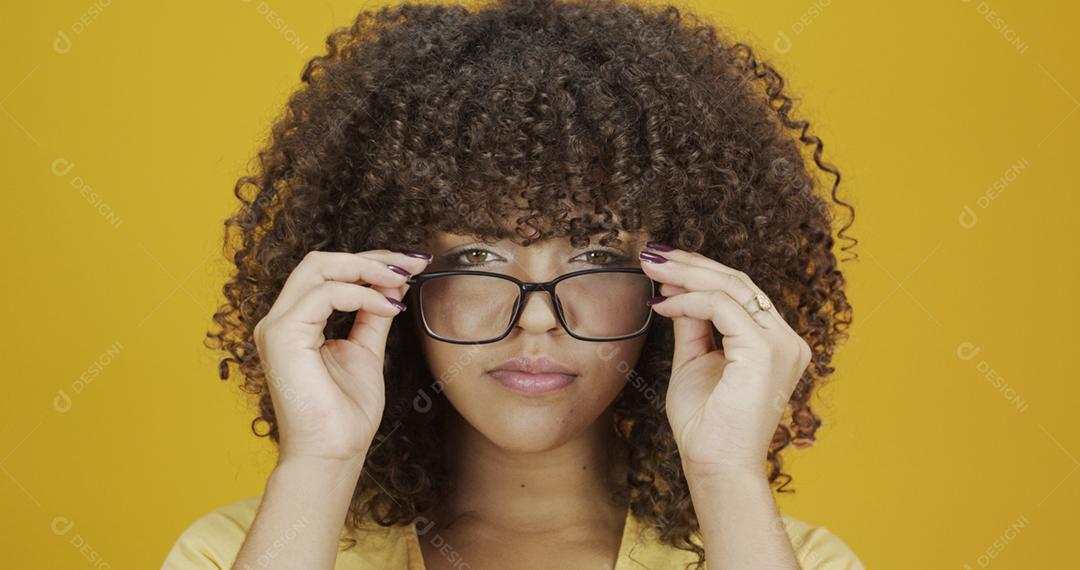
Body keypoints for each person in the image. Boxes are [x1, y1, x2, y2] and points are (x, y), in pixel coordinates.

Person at [163, 0, 862, 568]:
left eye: (593, 257)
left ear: (673, 287)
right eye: (475, 259)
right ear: (393, 280)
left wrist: (725, 478)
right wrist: (318, 462)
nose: (536, 321)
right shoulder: (239, 551)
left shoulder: (786, 557)